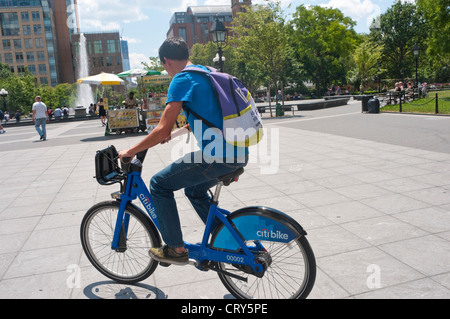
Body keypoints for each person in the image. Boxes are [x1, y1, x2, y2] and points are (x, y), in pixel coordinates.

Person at [118, 37, 248, 265]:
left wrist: (131, 150)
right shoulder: (207, 72)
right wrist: (171, 135)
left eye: (164, 66)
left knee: (159, 184)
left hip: (217, 156)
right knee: (194, 191)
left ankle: (175, 249)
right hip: (239, 151)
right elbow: (199, 120)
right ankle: (227, 241)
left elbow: (161, 128)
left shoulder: (182, 79)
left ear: (166, 61)